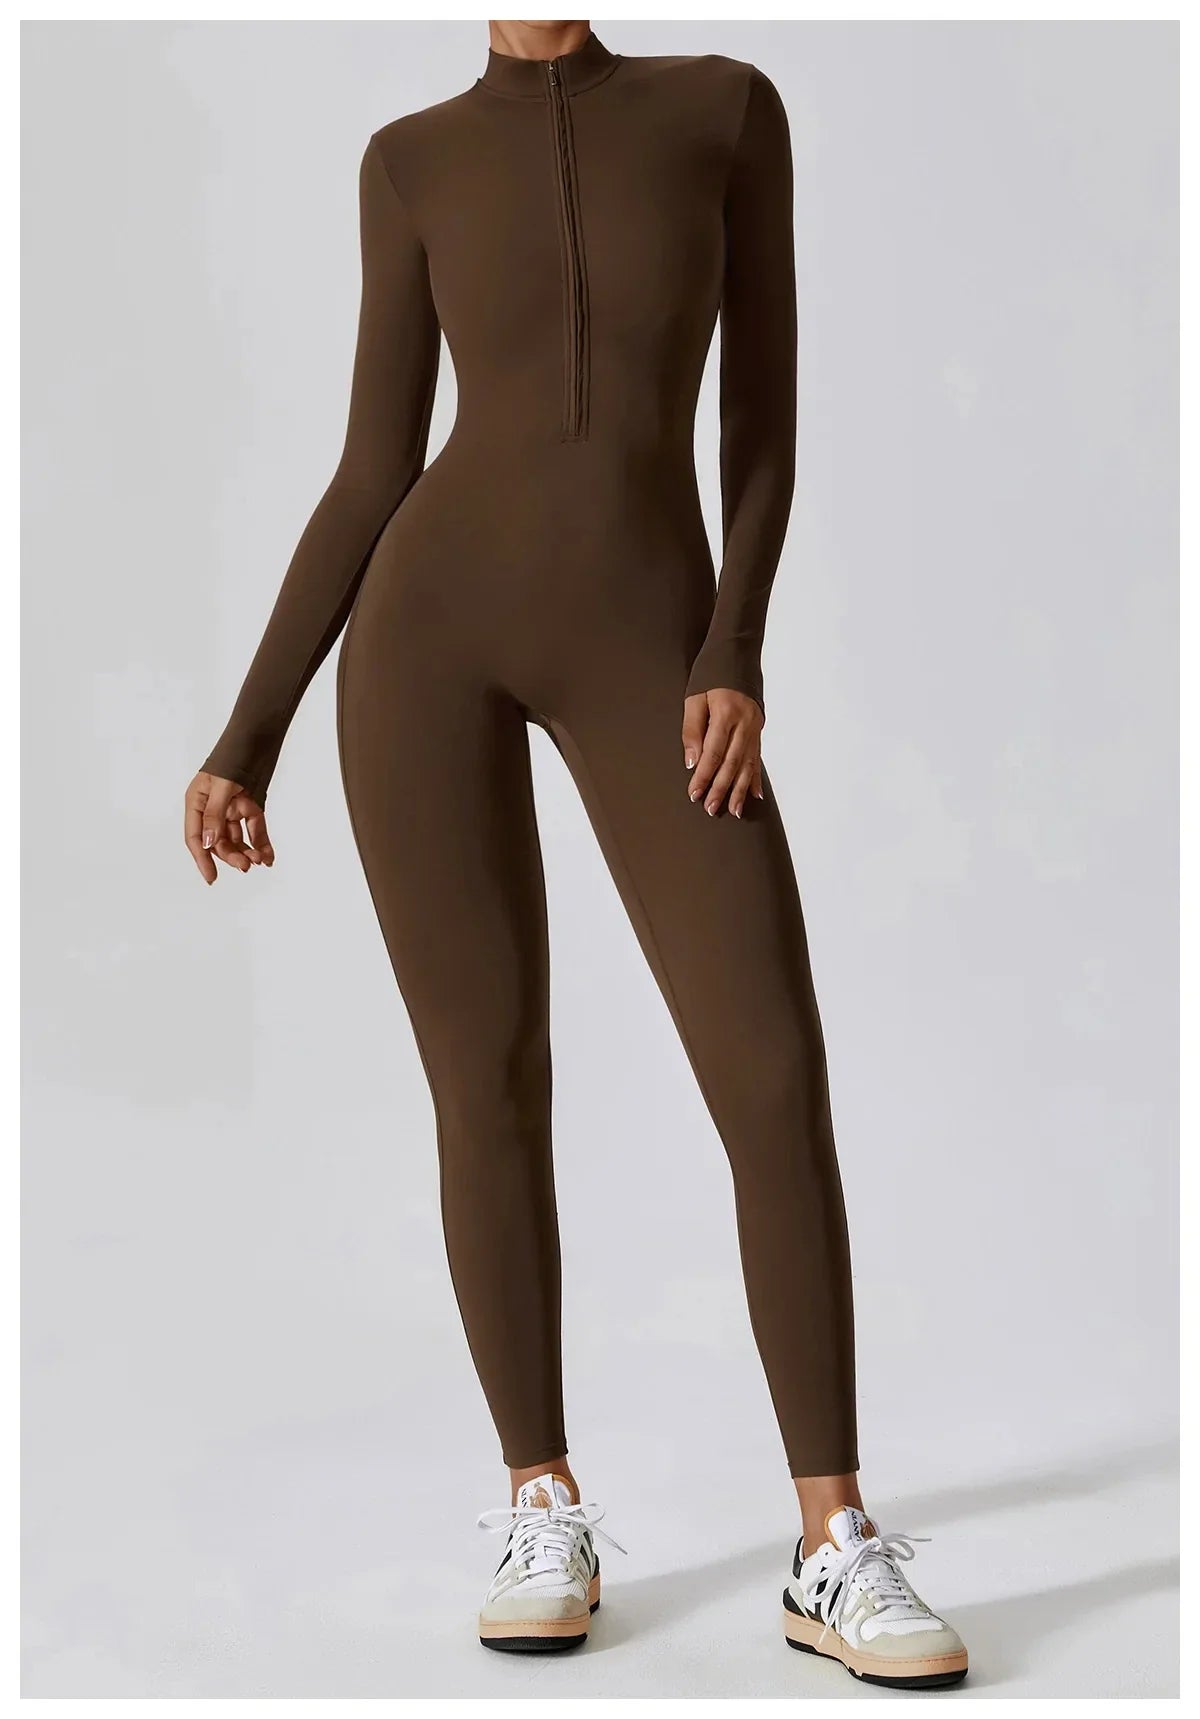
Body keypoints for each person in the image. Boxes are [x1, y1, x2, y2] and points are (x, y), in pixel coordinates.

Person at [184, 19, 968, 1688]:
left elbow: (761, 415)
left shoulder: (723, 110)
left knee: (769, 1068)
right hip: (425, 645)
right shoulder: (410, 159)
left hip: (653, 647)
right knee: (487, 1082)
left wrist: (733, 645)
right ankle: (542, 1505)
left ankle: (831, 1542)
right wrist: (248, 731)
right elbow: (373, 469)